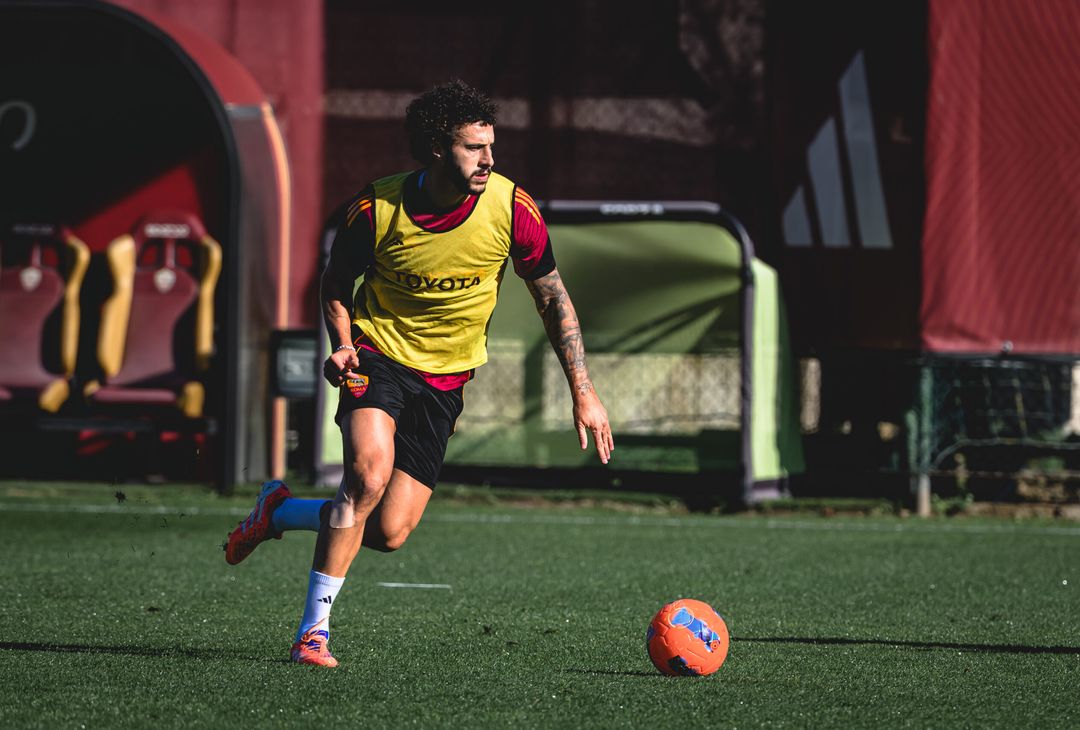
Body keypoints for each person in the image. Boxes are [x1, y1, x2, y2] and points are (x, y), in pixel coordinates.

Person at [225, 79, 614, 667]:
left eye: (490, 145)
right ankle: (312, 634)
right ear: (436, 149)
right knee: (366, 477)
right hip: (378, 355)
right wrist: (342, 344)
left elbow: (553, 298)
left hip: (447, 379)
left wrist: (584, 393)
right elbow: (336, 285)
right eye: (473, 148)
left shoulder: (514, 210)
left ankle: (278, 512)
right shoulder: (375, 209)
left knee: (388, 532)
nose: (489, 159)